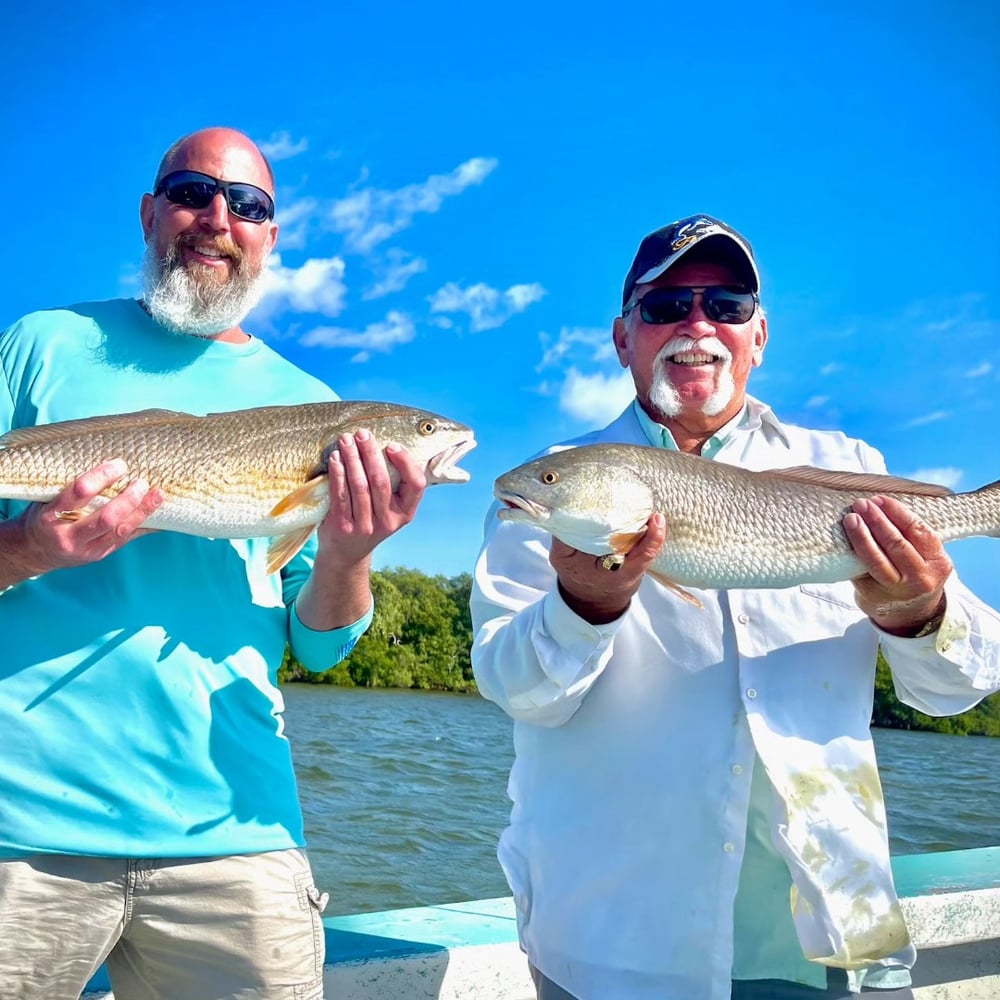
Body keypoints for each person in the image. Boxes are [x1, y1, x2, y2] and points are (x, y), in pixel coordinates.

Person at [470, 214, 1000, 1000]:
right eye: (663, 307)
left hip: (831, 943)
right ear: (623, 339)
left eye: (726, 303)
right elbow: (514, 690)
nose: (697, 325)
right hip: (616, 945)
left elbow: (957, 688)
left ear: (759, 336)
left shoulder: (852, 468)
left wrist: (919, 612)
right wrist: (582, 604)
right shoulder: (556, 484)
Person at [0, 127, 430, 1000]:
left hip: (235, 827)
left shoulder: (316, 405)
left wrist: (348, 552)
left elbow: (318, 649)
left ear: (272, 236)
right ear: (151, 211)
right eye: (193, 192)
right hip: (19, 830)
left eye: (249, 205)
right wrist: (31, 545)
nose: (217, 218)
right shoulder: (40, 342)